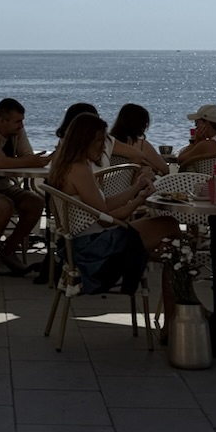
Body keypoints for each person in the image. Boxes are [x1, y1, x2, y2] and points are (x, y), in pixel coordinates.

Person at [47, 111, 179, 306]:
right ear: (85, 140)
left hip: (83, 242)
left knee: (174, 251)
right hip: (94, 249)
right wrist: (138, 201)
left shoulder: (68, 165)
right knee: (171, 229)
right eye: (100, 140)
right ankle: (179, 317)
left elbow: (103, 205)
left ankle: (177, 312)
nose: (104, 146)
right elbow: (104, 217)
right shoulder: (79, 169)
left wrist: (136, 189)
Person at [0, 97, 50, 273]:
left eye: (22, 121)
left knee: (36, 203)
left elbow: (26, 156)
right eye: (17, 121)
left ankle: (8, 250)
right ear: (1, 120)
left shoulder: (16, 132)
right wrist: (32, 161)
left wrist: (31, 160)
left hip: (1, 185)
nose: (21, 126)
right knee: (4, 206)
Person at [109, 103, 171, 175]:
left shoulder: (108, 143)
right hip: (135, 183)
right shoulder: (141, 145)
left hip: (109, 182)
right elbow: (165, 170)